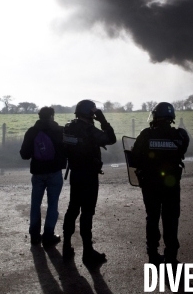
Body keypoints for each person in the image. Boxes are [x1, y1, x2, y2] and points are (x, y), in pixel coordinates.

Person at [131, 102, 189, 265]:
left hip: (150, 184)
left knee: (152, 217)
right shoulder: (180, 135)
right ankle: (171, 255)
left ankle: (152, 253)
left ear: (156, 116)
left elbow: (134, 159)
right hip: (171, 184)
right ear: (171, 118)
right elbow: (182, 152)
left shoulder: (146, 134)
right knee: (171, 218)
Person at [62, 100, 116, 264]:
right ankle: (87, 252)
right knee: (87, 213)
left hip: (75, 173)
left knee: (72, 208)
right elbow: (111, 138)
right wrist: (103, 119)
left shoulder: (68, 127)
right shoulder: (90, 130)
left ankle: (66, 246)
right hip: (89, 176)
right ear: (90, 114)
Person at [20, 106, 67, 246]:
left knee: (35, 204)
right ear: (52, 116)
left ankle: (34, 236)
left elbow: (24, 155)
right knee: (53, 205)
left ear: (39, 116)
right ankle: (48, 235)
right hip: (54, 172)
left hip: (38, 173)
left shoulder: (32, 131)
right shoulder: (60, 131)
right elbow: (68, 150)